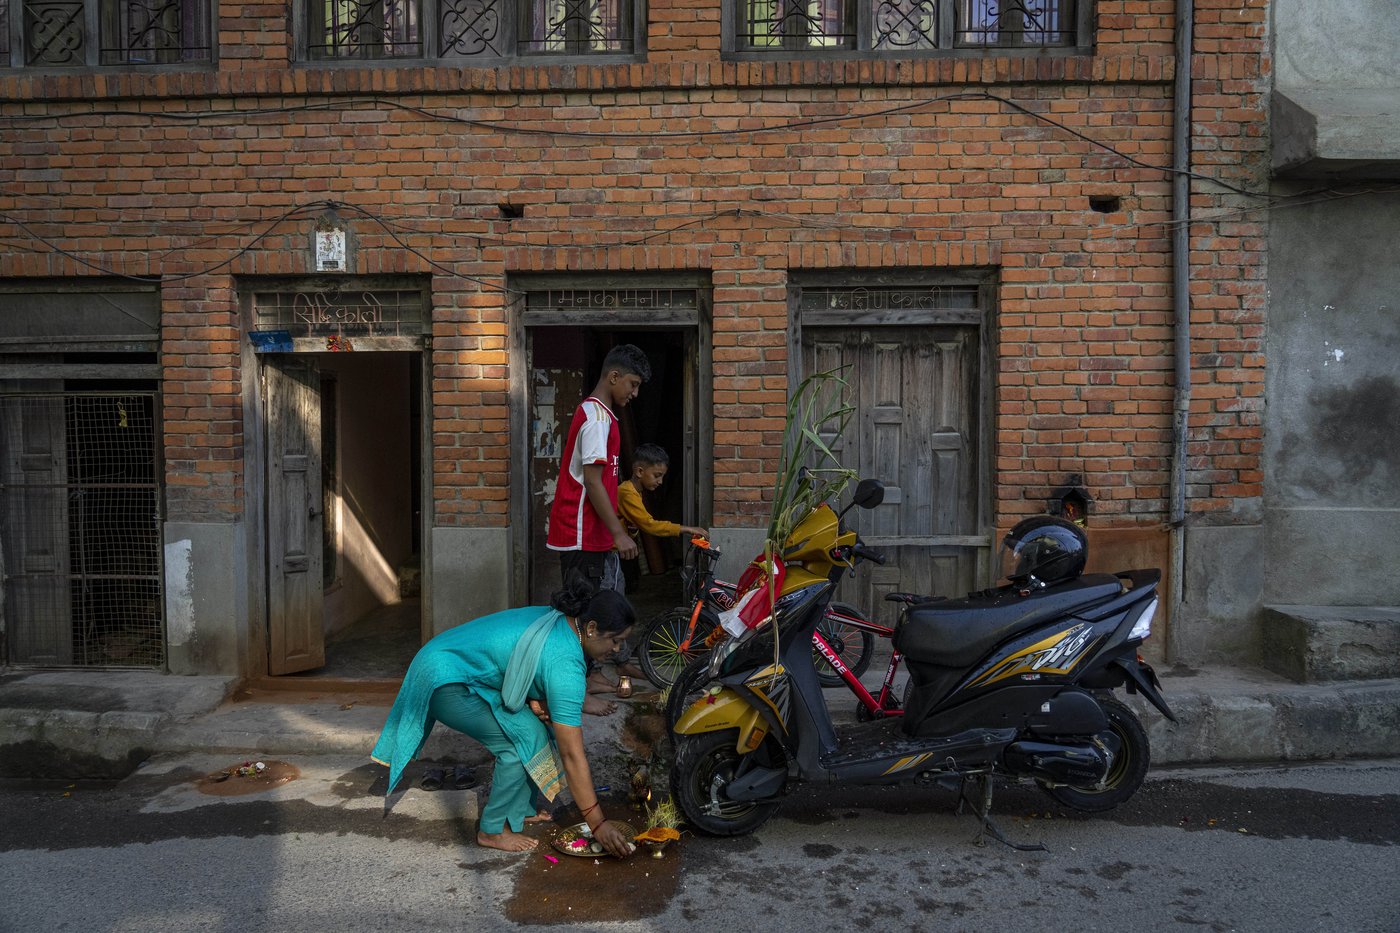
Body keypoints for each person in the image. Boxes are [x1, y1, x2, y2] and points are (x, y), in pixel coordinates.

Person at [370, 578, 638, 857]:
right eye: (616, 640)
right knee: (514, 748)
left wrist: (537, 703)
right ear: (591, 628)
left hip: (454, 664)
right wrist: (598, 823)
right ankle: (492, 829)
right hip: (444, 678)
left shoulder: (564, 622)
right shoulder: (566, 665)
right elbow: (572, 754)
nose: (618, 650)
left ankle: (520, 812)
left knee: (535, 732)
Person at [546, 343, 652, 596]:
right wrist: (618, 533)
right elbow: (592, 481)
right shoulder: (597, 419)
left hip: (590, 535)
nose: (635, 393)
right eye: (633, 384)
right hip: (582, 534)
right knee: (585, 611)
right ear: (614, 377)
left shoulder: (599, 414)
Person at [616, 442, 708, 593]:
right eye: (657, 476)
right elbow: (650, 525)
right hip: (609, 553)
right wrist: (686, 529)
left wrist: (632, 530)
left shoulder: (633, 491)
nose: (660, 482)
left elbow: (633, 525)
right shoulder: (627, 493)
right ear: (640, 472)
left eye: (662, 476)